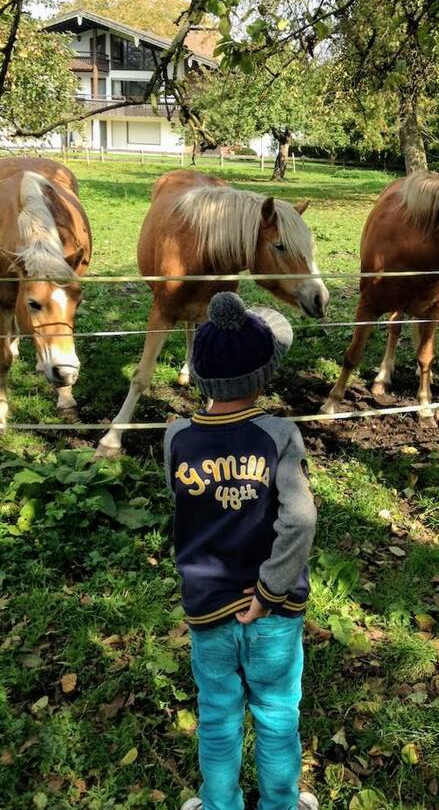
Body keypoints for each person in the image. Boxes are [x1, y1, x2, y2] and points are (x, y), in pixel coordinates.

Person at [163, 291, 319, 810]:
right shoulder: (278, 434)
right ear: (262, 377)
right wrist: (271, 589)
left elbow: (183, 502)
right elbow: (298, 519)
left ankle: (219, 803)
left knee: (218, 713)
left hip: (207, 604)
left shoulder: (177, 437)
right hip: (272, 610)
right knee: (277, 712)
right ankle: (280, 803)